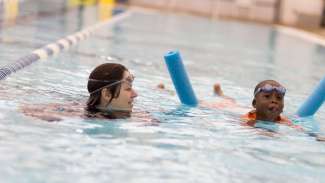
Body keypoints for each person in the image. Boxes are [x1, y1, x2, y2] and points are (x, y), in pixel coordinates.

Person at [21, 63, 139, 121]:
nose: (135, 94)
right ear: (107, 94)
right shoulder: (78, 114)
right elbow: (29, 111)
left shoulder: (134, 116)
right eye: (128, 88)